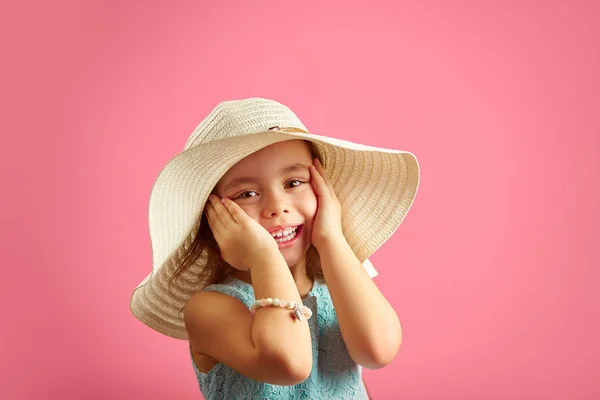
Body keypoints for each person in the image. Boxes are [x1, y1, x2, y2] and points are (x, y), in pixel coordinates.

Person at [130, 98, 420, 399]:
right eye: (247, 193)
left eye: (294, 183)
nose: (277, 207)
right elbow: (289, 364)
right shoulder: (209, 308)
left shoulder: (339, 284)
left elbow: (378, 352)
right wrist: (263, 257)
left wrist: (332, 238)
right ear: (213, 219)